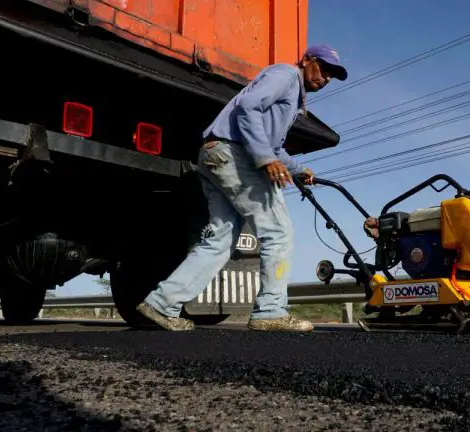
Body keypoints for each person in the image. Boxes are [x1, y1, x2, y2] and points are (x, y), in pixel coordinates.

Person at [135, 44, 348, 332]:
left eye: (331, 75)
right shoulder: (286, 75)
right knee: (279, 232)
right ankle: (271, 311)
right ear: (306, 59)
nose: (325, 78)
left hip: (215, 154)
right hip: (233, 154)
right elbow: (248, 107)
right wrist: (265, 159)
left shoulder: (293, 98)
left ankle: (162, 303)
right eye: (323, 68)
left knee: (220, 241)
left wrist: (298, 169)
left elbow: (273, 146)